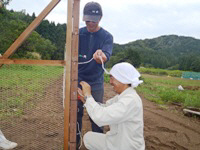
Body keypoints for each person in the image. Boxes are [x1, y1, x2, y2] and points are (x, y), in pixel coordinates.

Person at [78, 62, 145, 150]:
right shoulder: (124, 96)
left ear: (122, 79)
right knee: (88, 138)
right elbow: (104, 108)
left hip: (127, 146)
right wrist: (85, 99)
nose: (110, 82)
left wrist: (88, 95)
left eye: (112, 78)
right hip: (118, 141)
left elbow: (101, 117)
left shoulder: (130, 100)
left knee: (89, 138)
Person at [77, 1, 113, 146]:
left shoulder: (106, 36)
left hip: (96, 82)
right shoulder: (77, 33)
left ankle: (99, 145)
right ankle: (76, 144)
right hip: (77, 79)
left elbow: (105, 56)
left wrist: (100, 56)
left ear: (100, 18)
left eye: (94, 20)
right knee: (76, 114)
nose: (90, 23)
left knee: (97, 116)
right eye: (87, 20)